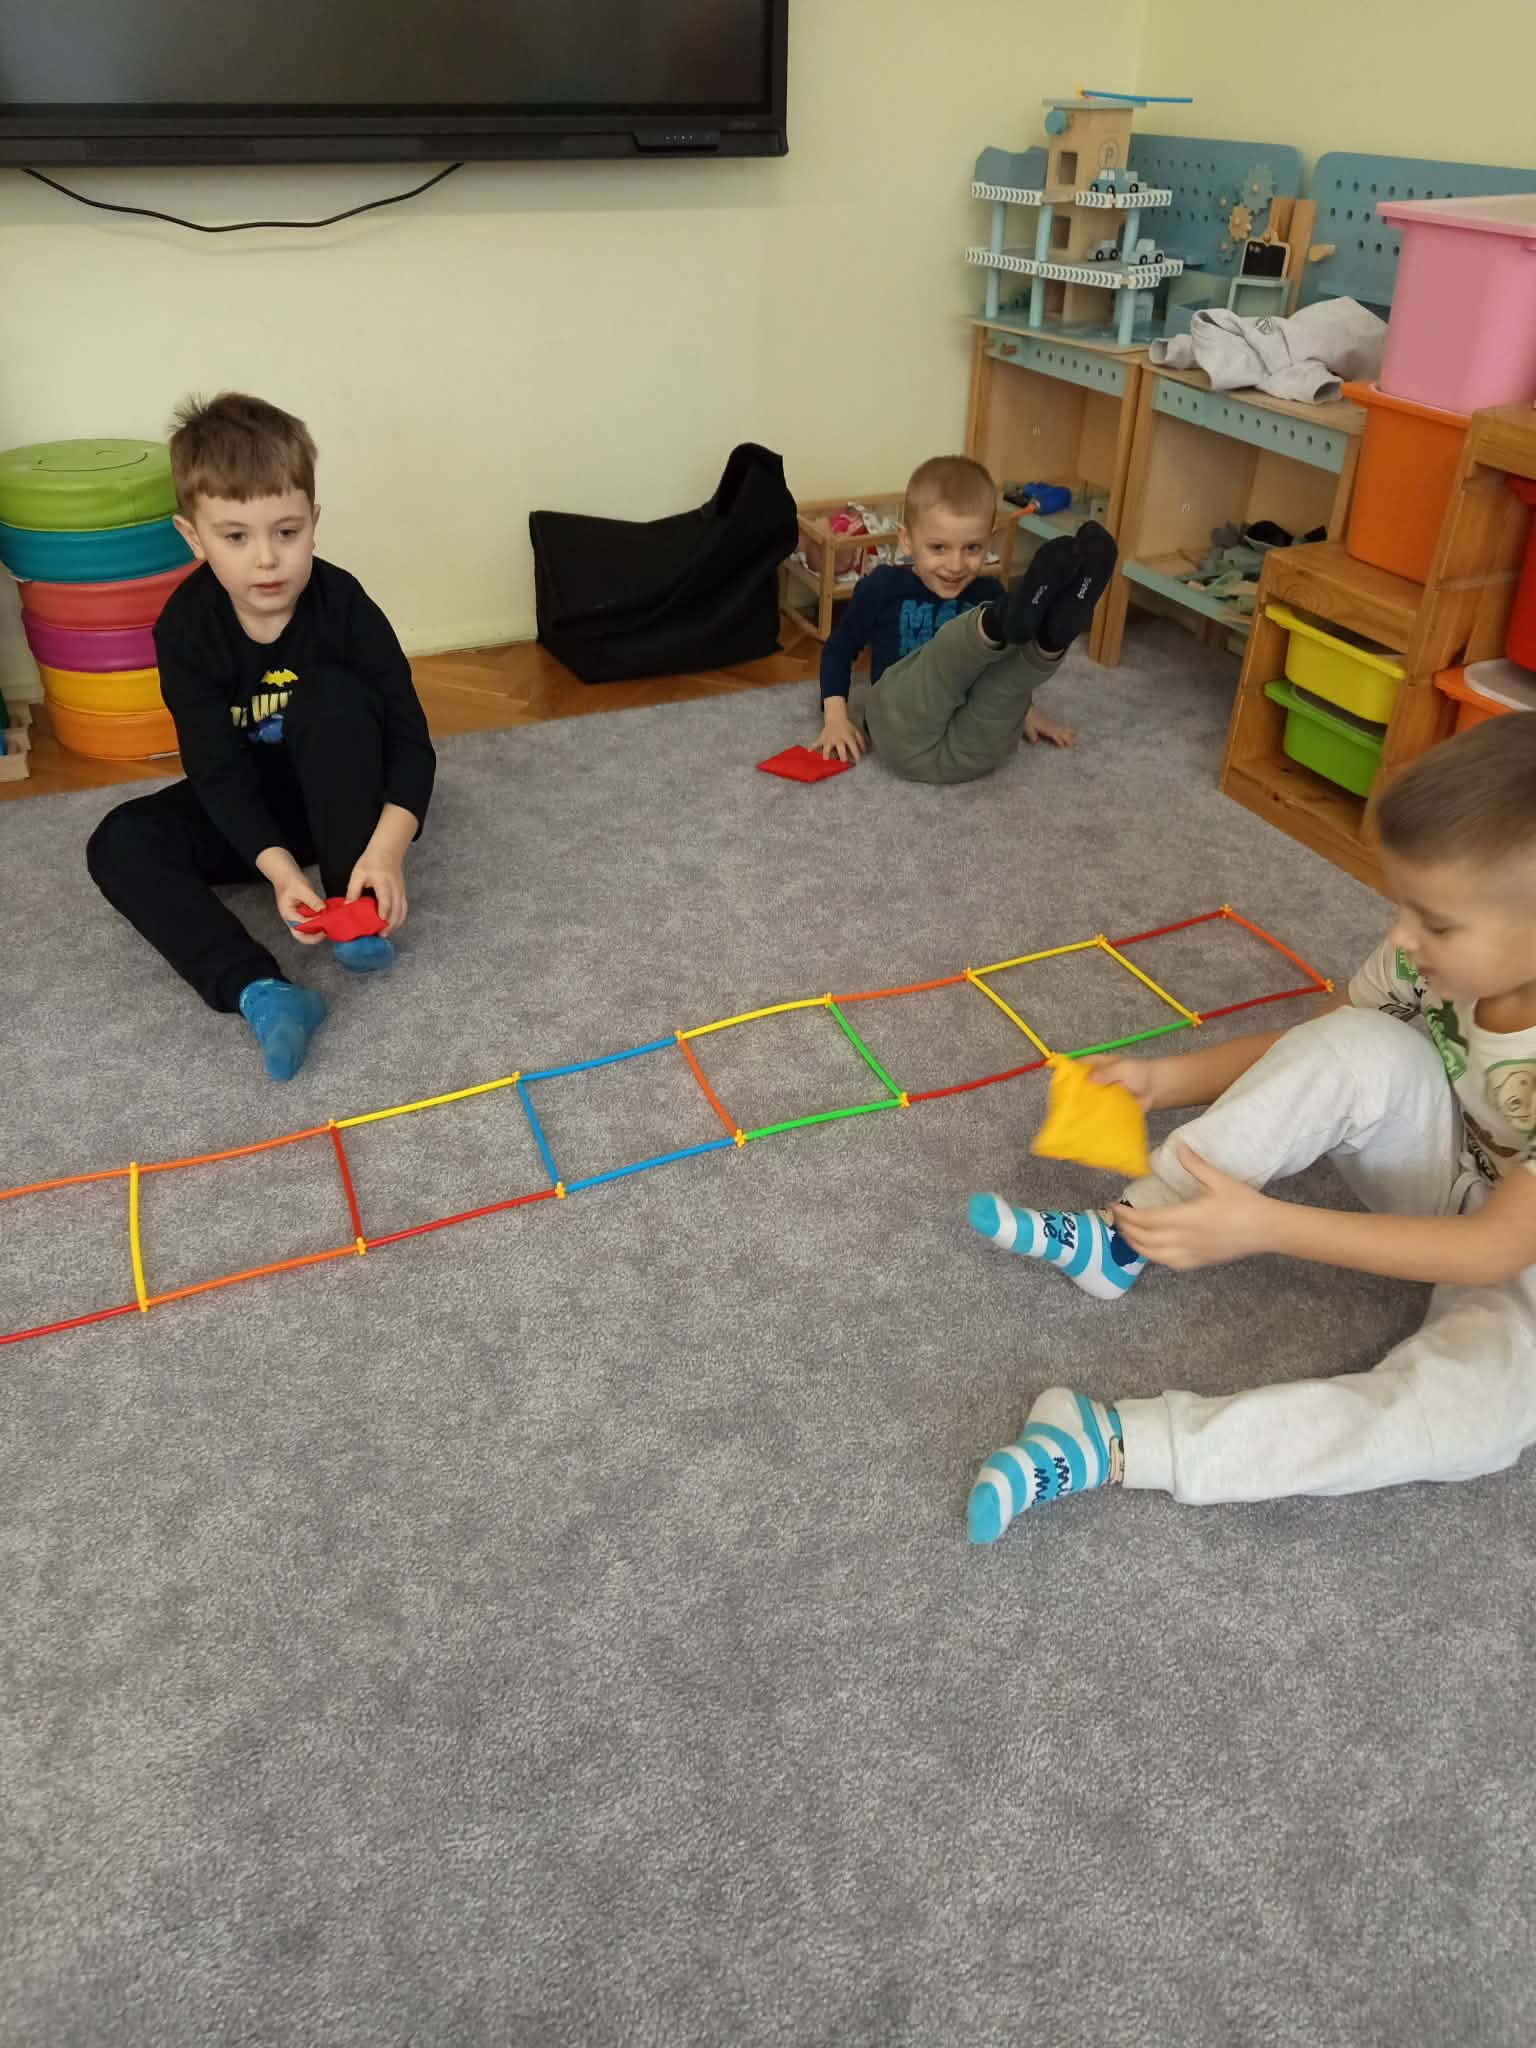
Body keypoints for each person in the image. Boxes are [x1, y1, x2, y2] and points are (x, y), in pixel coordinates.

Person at [963, 714, 1536, 1541]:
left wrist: (1267, 1225)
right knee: (1361, 1042)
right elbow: (1319, 1038)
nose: (1402, 936)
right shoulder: (1423, 958)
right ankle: (1124, 1237)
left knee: (1463, 1425)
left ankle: (1112, 1443)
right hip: (1458, 1178)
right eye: (1402, 905)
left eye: (1436, 923)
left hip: (1518, 1274)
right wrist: (1169, 1080)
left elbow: (1493, 1251)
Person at [86, 393, 436, 1082]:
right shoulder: (185, 629)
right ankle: (264, 991)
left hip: (344, 797)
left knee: (333, 698)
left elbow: (410, 742)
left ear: (314, 523)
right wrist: (277, 870)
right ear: (194, 538)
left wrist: (388, 850)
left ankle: (354, 908)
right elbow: (215, 772)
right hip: (251, 813)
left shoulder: (344, 604)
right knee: (119, 841)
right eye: (236, 537)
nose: (267, 559)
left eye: (287, 531)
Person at [810, 454, 1117, 781]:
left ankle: (1052, 638)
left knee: (1004, 683)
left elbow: (1003, 676)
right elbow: (839, 649)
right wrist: (835, 719)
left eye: (972, 548)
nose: (955, 566)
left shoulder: (988, 592)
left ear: (990, 540)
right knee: (945, 661)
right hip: (901, 729)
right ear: (906, 541)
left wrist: (1023, 710)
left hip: (972, 743)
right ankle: (1015, 633)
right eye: (938, 548)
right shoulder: (883, 587)